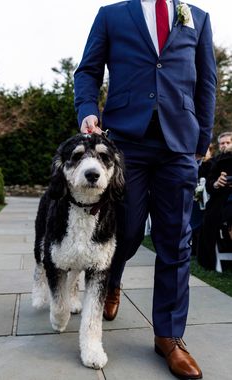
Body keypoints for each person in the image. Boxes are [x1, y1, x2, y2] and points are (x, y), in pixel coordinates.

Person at [74, 1, 217, 379]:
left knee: (175, 239)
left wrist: (201, 141)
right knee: (129, 230)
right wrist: (88, 109)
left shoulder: (197, 18)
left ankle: (169, 337)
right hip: (126, 141)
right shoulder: (112, 15)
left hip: (180, 145)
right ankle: (112, 280)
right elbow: (87, 71)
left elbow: (206, 82)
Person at [197, 143, 232, 270]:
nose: (225, 145)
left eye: (227, 142)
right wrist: (217, 183)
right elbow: (209, 185)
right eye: (223, 143)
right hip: (224, 202)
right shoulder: (221, 160)